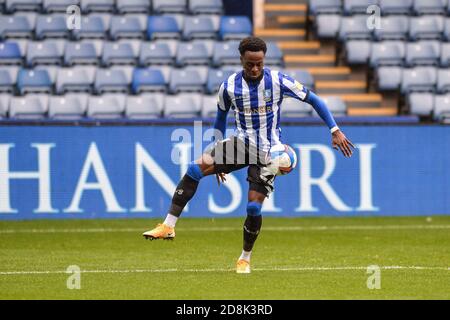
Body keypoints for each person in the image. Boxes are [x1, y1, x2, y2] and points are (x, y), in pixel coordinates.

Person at [143, 36, 355, 274]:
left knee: (253, 208)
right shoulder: (229, 86)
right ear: (241, 59)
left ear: (264, 60)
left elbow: (314, 99)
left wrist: (335, 130)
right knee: (194, 169)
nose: (255, 69)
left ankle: (245, 258)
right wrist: (217, 148)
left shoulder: (278, 81)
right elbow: (220, 118)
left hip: (269, 153)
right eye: (249, 64)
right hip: (241, 145)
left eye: (259, 64)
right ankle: (168, 225)